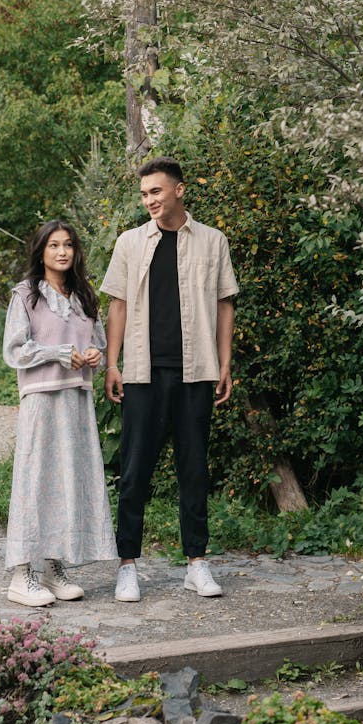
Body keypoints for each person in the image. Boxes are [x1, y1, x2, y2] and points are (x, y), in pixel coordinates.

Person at [101, 157, 238, 602]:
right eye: (144, 195)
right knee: (135, 469)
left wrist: (225, 364)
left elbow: (224, 306)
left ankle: (196, 563)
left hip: (196, 371)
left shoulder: (213, 242)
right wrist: (112, 363)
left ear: (179, 190)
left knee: (194, 469)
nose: (150, 201)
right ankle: (128, 566)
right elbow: (117, 305)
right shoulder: (129, 243)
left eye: (156, 192)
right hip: (142, 372)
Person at [3, 219, 117, 606]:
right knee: (36, 481)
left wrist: (94, 355)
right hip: (41, 398)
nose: (62, 252)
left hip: (77, 399)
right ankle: (22, 574)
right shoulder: (25, 296)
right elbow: (15, 350)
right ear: (41, 251)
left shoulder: (85, 296)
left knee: (68, 481)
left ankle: (53, 568)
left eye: (67, 245)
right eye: (53, 245)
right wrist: (59, 353)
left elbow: (97, 342)